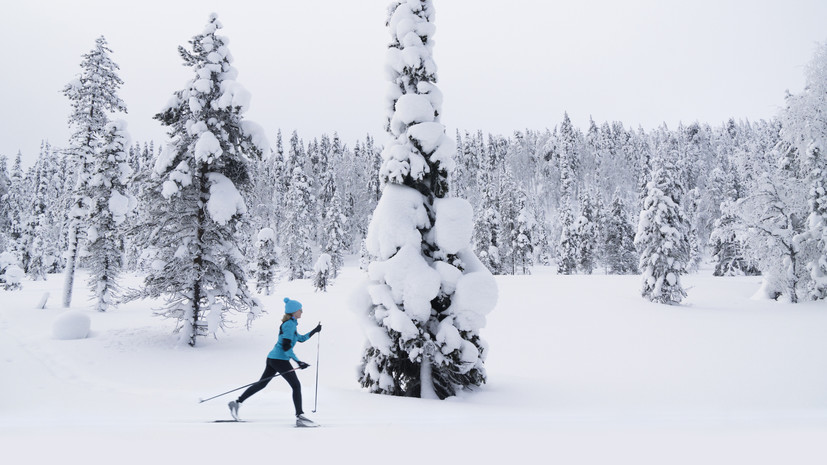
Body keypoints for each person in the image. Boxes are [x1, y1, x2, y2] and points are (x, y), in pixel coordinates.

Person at [228, 297, 322, 426]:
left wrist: (315, 331)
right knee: (296, 386)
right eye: (300, 309)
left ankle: (237, 403)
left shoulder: (291, 324)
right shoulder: (289, 325)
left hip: (273, 358)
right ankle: (300, 416)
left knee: (262, 384)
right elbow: (286, 347)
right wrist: (298, 362)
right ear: (294, 311)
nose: (302, 311)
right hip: (279, 360)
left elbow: (300, 339)